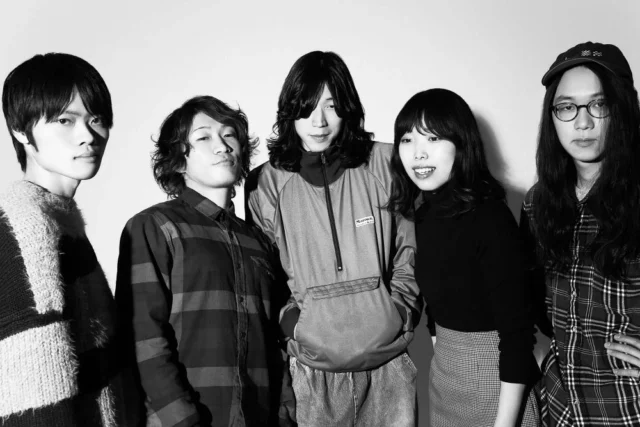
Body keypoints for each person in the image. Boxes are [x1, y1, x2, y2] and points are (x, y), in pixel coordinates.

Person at [245, 51, 422, 426]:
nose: (319, 121)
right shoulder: (266, 183)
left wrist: (399, 313)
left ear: (348, 106)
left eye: (331, 105)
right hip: (312, 373)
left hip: (389, 369)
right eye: (307, 107)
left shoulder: (387, 164)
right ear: (290, 110)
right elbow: (265, 276)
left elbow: (411, 252)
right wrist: (295, 326)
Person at [116, 95, 293, 427]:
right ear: (179, 160)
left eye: (229, 135)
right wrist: (183, 420)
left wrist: (284, 414)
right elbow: (143, 339)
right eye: (203, 137)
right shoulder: (154, 227)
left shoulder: (258, 241)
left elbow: (275, 343)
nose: (222, 146)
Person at [387, 88, 540, 426]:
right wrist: (447, 354)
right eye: (408, 140)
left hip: (498, 387)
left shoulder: (490, 218)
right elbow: (436, 309)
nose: (418, 153)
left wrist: (505, 423)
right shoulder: (421, 217)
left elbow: (517, 334)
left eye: (433, 138)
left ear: (461, 143)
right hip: (445, 382)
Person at [520, 41, 640, 426]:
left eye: (599, 104)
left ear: (623, 109)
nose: (582, 123)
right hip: (560, 407)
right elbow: (533, 306)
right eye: (567, 107)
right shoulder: (537, 204)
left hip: (625, 409)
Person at [0, 53, 120, 426]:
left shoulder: (60, 221)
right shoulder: (28, 228)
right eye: (65, 120)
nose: (88, 135)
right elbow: (35, 399)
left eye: (96, 119)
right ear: (21, 131)